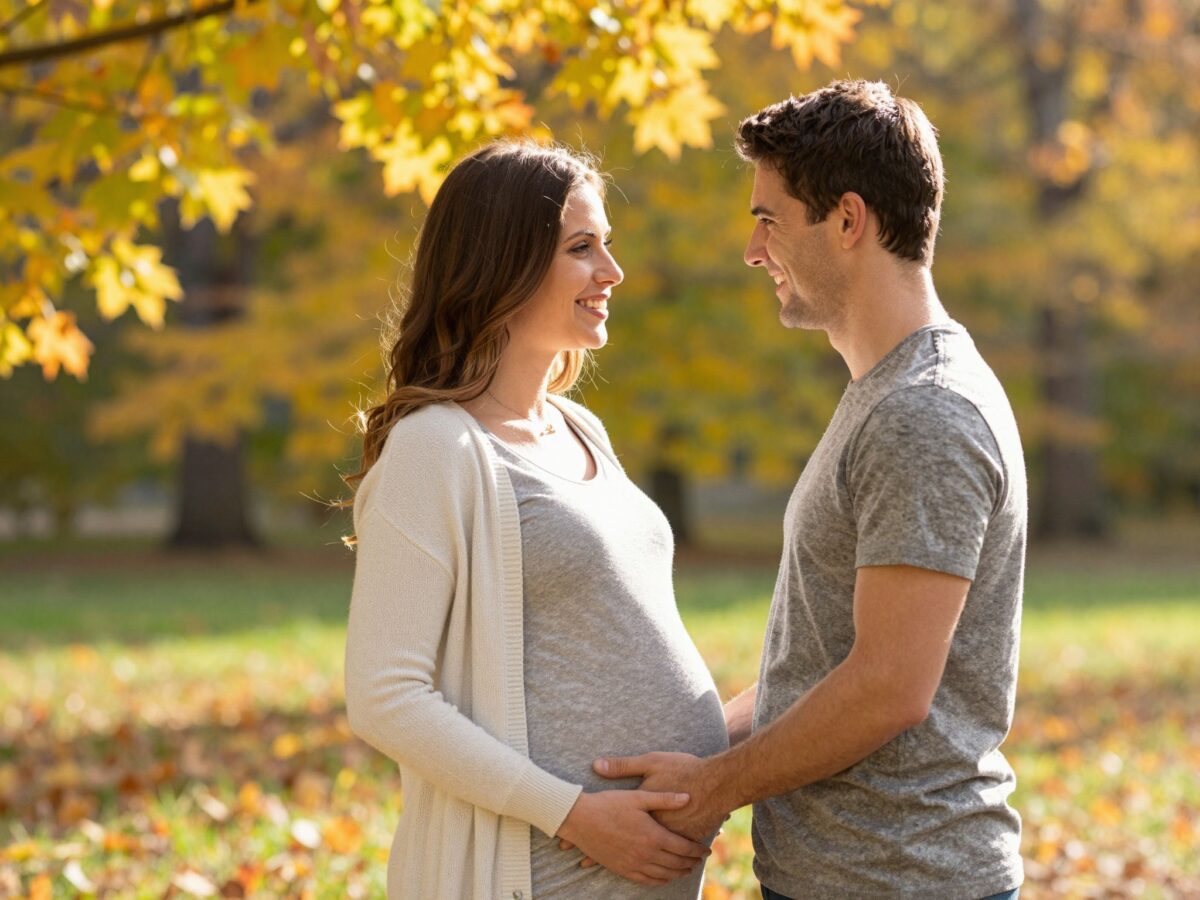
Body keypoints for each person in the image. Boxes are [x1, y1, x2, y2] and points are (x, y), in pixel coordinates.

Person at [594, 80, 1027, 900]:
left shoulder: (923, 412)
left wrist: (715, 789)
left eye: (768, 220)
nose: (754, 251)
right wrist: (697, 756)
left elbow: (889, 687)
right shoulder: (886, 394)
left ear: (849, 221)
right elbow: (824, 663)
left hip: (902, 880)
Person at [342, 139, 728, 900]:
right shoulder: (436, 447)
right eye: (582, 248)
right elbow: (384, 695)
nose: (611, 273)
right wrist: (575, 816)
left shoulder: (581, 428)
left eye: (607, 247)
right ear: (504, 264)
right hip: (543, 871)